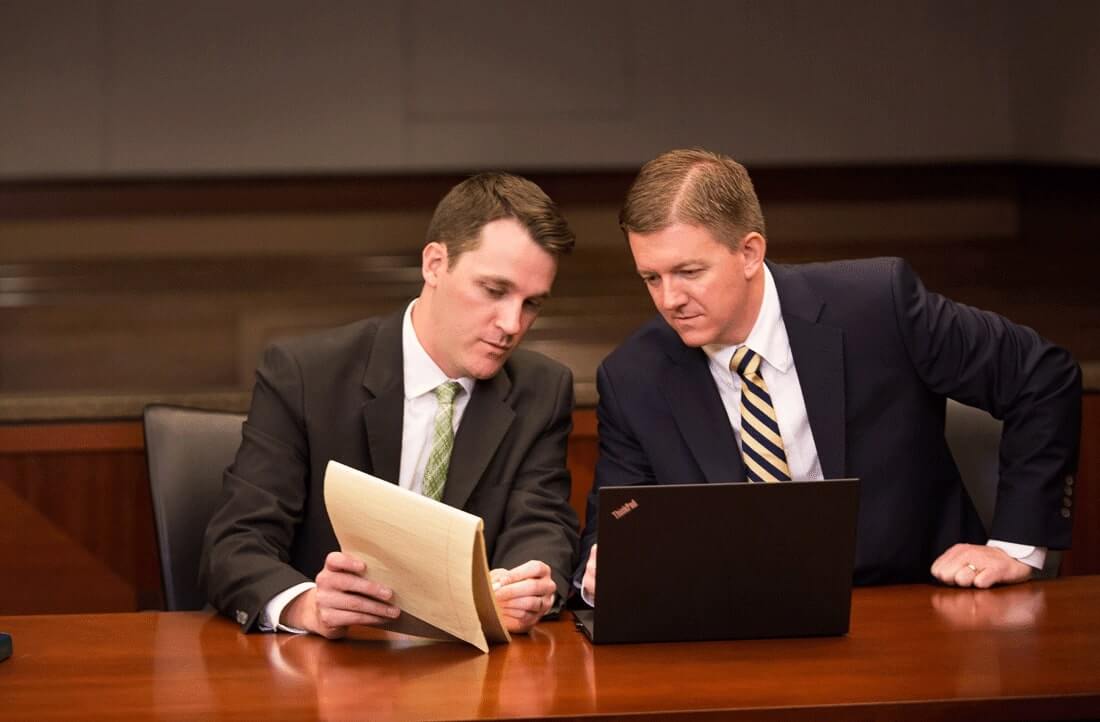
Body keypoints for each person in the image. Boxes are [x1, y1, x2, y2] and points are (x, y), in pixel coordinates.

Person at [577, 148, 1081, 604]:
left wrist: (1015, 546)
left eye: (689, 272)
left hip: (917, 600)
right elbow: (618, 520)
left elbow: (1041, 376)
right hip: (737, 624)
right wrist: (605, 572)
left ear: (750, 252)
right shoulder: (633, 376)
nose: (669, 299)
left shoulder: (877, 304)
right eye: (651, 278)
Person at [201, 172, 580, 638]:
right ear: (435, 264)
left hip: (468, 672)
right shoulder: (305, 374)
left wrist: (528, 580)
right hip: (326, 671)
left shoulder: (541, 389)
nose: (511, 324)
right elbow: (234, 546)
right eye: (495, 291)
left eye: (532, 304)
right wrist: (308, 606)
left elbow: (542, 523)